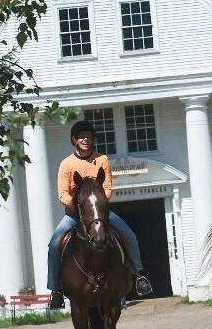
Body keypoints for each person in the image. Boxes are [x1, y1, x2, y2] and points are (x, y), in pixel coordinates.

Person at [48, 120, 152, 309]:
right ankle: (55, 289)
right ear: (74, 140)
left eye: (88, 136)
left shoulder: (102, 160)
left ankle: (139, 276)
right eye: (81, 137)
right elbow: (62, 193)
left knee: (129, 235)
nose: (85, 140)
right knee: (54, 243)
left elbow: (107, 188)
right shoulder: (66, 164)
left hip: (99, 212)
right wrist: (77, 204)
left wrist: (97, 204)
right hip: (75, 213)